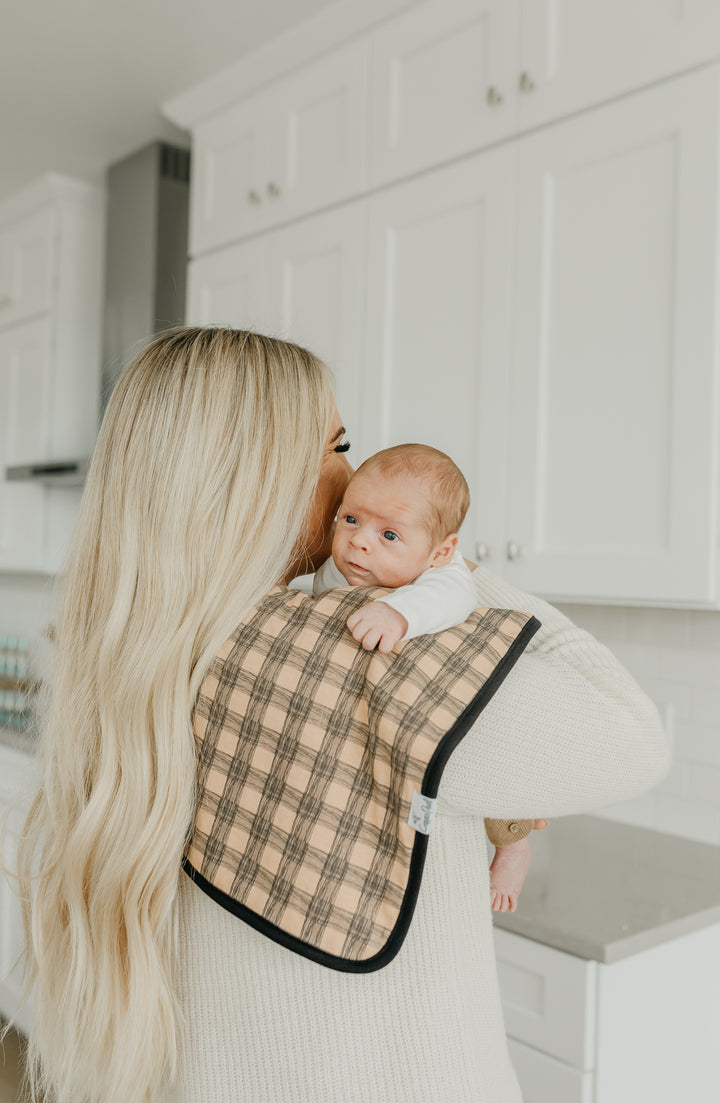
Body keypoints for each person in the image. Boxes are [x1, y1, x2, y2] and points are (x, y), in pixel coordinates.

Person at [13, 327, 670, 1103]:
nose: (357, 472)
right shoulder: (363, 654)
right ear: (257, 478)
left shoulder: (141, 650)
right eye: (337, 445)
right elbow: (633, 731)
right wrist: (442, 563)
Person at [313, 441, 539, 914]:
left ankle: (513, 845)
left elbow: (452, 599)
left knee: (498, 773)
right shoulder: (344, 567)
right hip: (404, 705)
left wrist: (398, 614)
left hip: (475, 706)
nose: (359, 541)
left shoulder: (442, 575)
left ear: (442, 550)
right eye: (351, 519)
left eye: (389, 535)